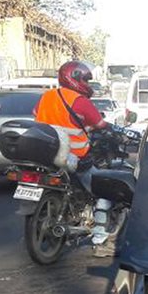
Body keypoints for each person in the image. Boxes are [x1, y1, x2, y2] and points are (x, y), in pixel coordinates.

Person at [34, 61, 115, 249]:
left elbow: (36, 114)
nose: (87, 84)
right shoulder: (79, 101)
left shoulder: (47, 96)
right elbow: (100, 124)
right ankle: (100, 237)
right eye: (85, 80)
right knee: (103, 189)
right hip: (73, 156)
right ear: (75, 78)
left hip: (45, 152)